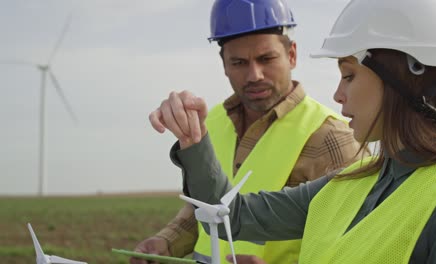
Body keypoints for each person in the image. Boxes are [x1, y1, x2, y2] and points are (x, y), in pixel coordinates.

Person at [151, 0, 436, 263]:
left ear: (401, 79)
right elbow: (231, 217)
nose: (337, 95)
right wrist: (193, 139)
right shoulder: (347, 185)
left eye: (349, 75)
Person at [132, 0, 365, 263]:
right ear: (224, 65)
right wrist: (166, 242)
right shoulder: (213, 122)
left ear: (292, 55)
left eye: (266, 59)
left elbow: (355, 247)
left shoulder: (333, 137)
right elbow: (204, 209)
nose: (254, 74)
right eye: (239, 62)